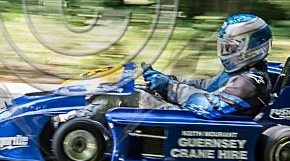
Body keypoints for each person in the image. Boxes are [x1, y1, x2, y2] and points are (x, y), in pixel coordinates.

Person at [72, 14, 273, 122]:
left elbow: (210, 108)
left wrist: (170, 88)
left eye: (230, 47)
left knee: (126, 97)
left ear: (251, 48)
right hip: (190, 115)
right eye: (224, 45)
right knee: (137, 89)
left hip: (197, 122)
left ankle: (65, 123)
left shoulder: (250, 83)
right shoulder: (237, 74)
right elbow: (201, 85)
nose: (225, 51)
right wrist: (165, 80)